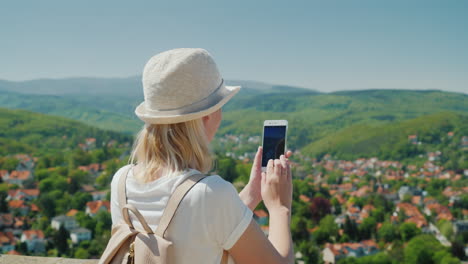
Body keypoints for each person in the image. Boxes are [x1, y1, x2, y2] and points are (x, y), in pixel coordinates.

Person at [110, 48, 294, 264]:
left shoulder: (121, 182)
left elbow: (197, 224)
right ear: (207, 116)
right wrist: (280, 207)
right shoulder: (213, 194)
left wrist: (252, 194)